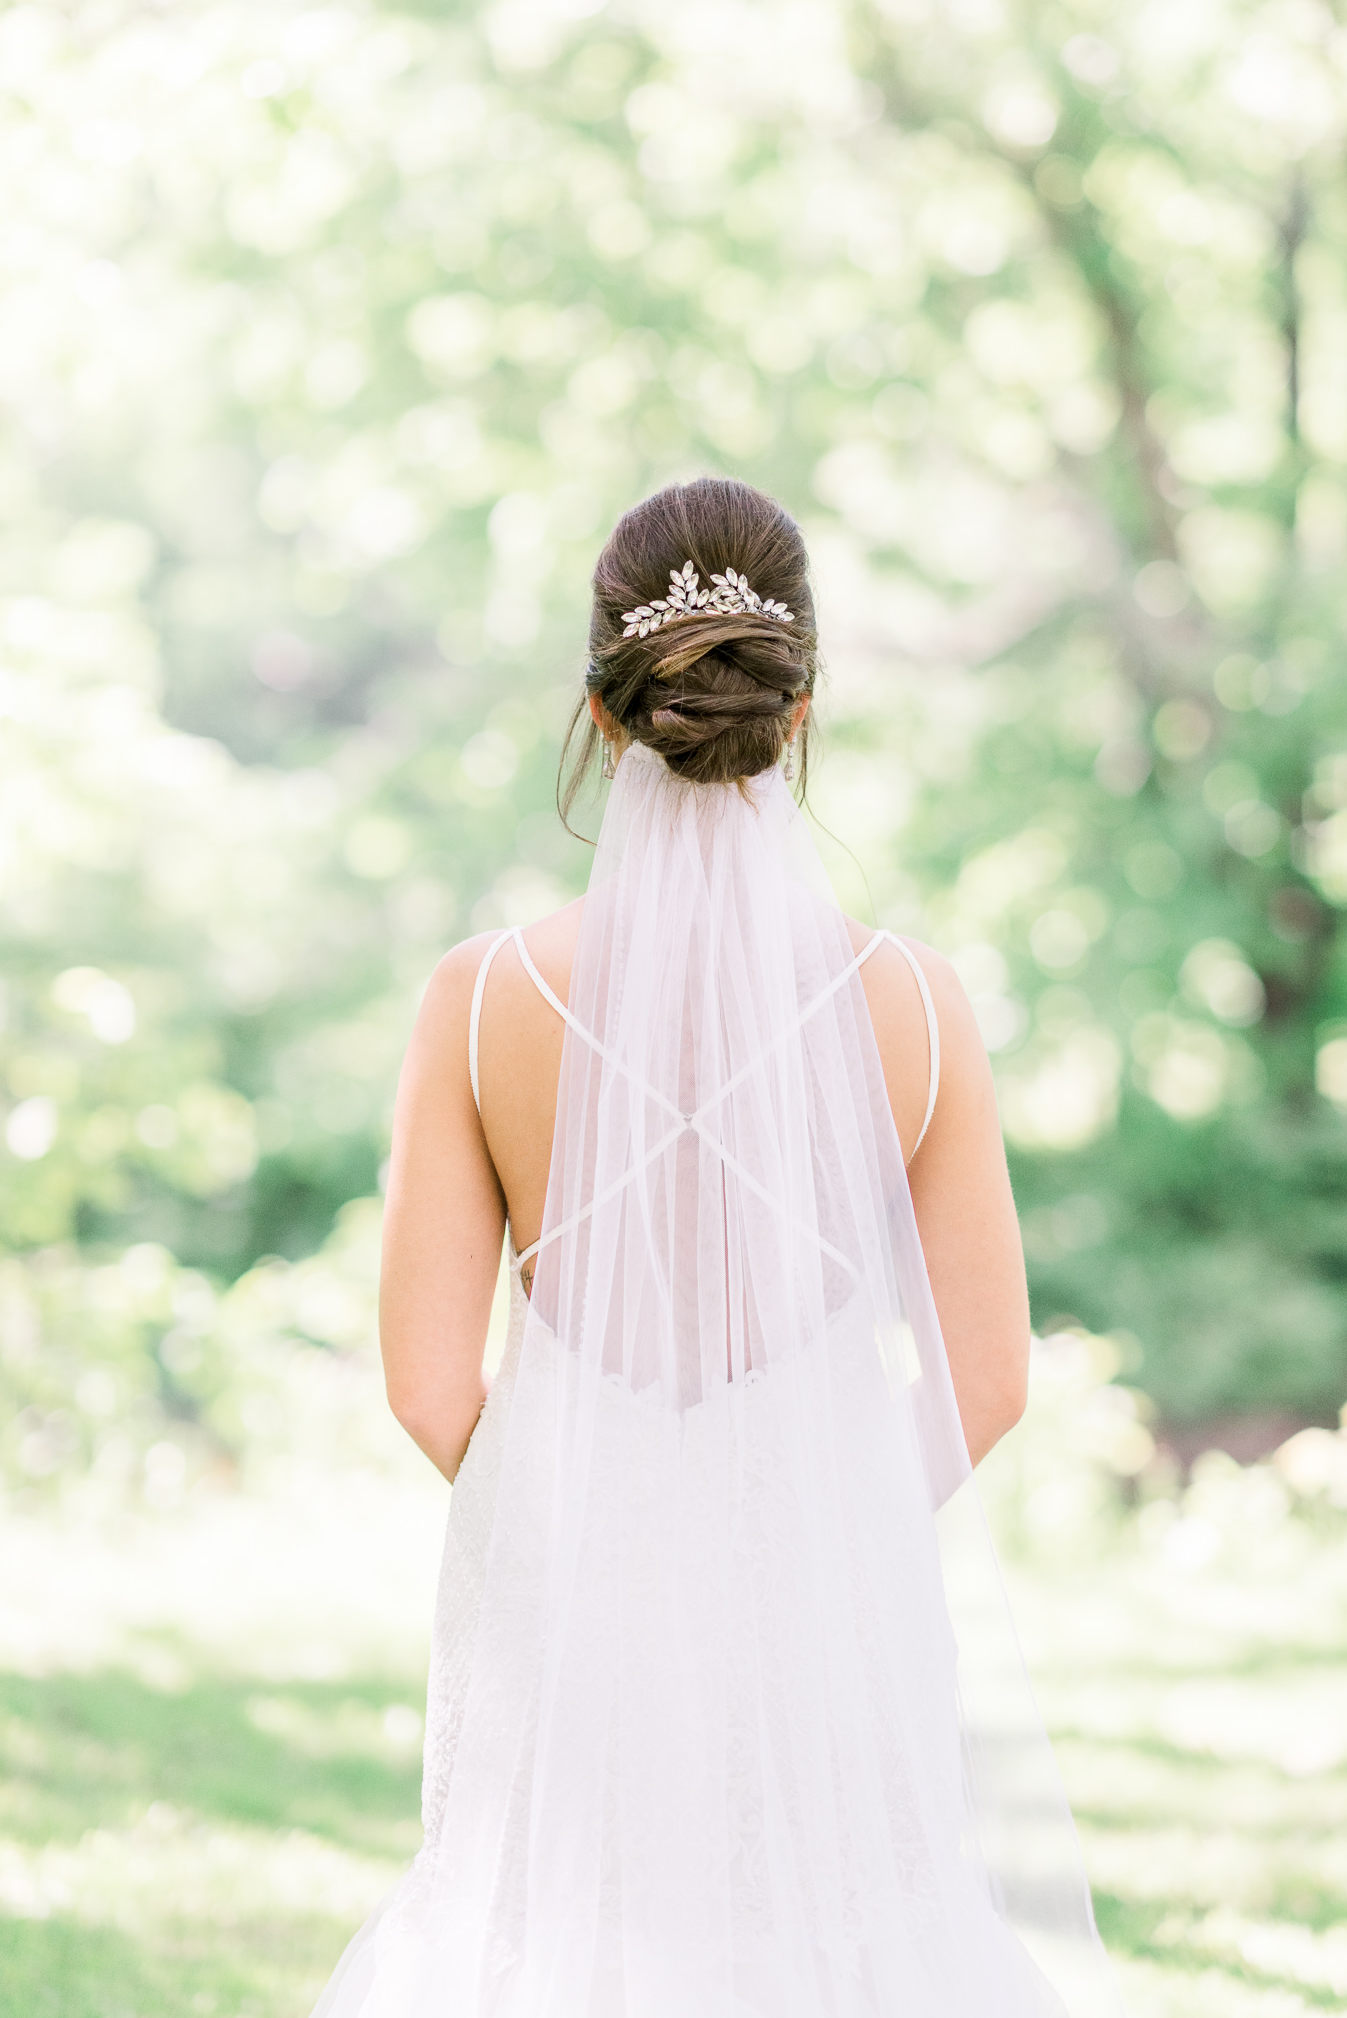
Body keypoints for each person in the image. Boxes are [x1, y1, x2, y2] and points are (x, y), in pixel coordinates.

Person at [311, 478, 1121, 2017]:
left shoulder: (478, 1001)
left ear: (604, 716)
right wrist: (817, 1523)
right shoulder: (916, 1005)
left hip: (572, 1598)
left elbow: (429, 1391)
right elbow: (988, 1379)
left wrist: (589, 1534)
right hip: (827, 1596)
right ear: (800, 709)